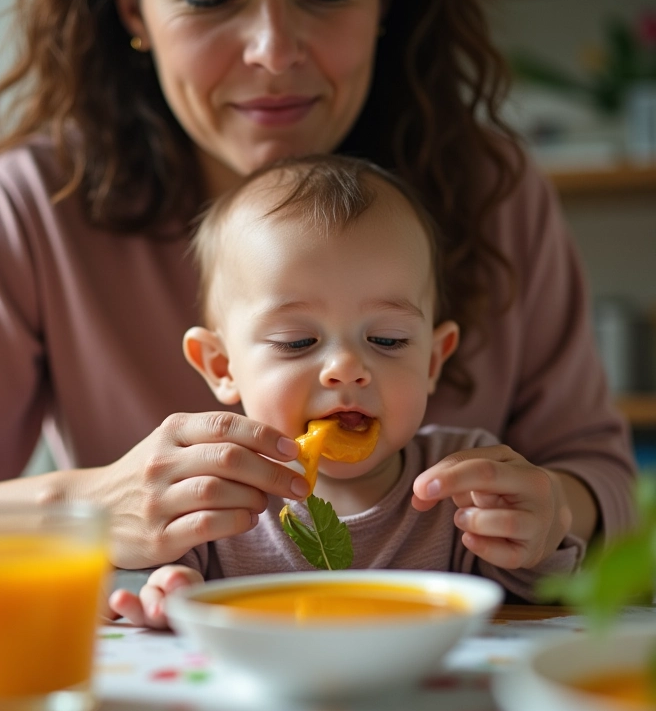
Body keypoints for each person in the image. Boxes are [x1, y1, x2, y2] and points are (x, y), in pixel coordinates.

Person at [0, 0, 635, 597]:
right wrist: (80, 509)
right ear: (132, 9)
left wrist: (553, 513)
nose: (274, 51)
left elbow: (605, 485)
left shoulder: (492, 189)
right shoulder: (33, 206)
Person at [109, 154, 586, 628]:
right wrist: (162, 587)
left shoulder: (465, 483)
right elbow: (140, 582)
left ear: (433, 360)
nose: (346, 368)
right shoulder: (212, 489)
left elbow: (539, 603)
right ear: (221, 365)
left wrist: (533, 540)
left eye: (387, 340)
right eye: (297, 342)